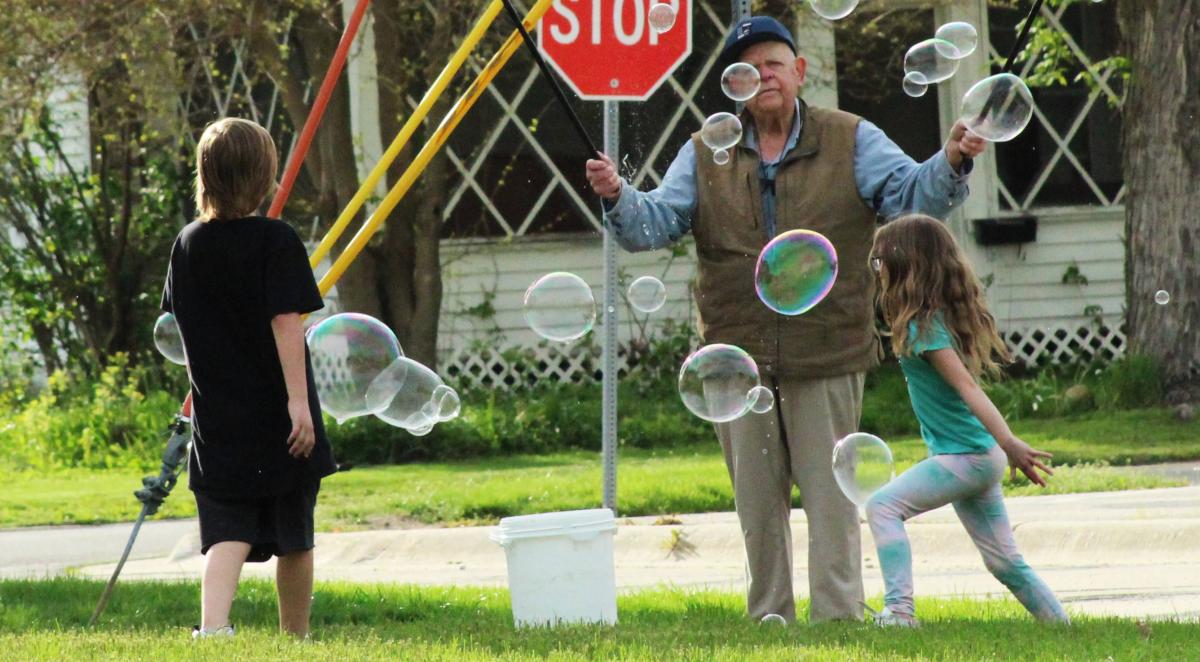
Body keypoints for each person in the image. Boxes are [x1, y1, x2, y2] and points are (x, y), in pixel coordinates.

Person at [584, 16, 988, 623]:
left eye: (775, 63)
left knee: (831, 501)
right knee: (756, 506)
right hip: (733, 358)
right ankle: (768, 618)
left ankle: (838, 617)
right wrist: (617, 194)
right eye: (750, 68)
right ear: (734, 86)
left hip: (827, 349)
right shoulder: (704, 150)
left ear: (799, 72)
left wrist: (952, 159)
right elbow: (654, 223)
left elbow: (910, 196)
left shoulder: (851, 138)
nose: (764, 75)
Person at [161, 118, 337, 639]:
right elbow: (286, 322)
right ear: (265, 177)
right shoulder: (276, 240)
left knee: (225, 530)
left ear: (205, 176)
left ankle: (213, 629)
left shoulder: (187, 243)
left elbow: (183, 325)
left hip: (218, 414)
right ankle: (295, 636)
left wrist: (201, 392)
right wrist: (298, 404)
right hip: (277, 411)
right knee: (294, 535)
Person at [865, 214, 1069, 627]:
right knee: (1004, 562)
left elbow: (968, 389)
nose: (876, 269)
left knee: (882, 506)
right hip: (975, 455)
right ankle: (1062, 629)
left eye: (879, 261)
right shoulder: (926, 319)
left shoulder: (924, 327)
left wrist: (1009, 442)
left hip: (968, 457)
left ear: (907, 265)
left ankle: (900, 612)